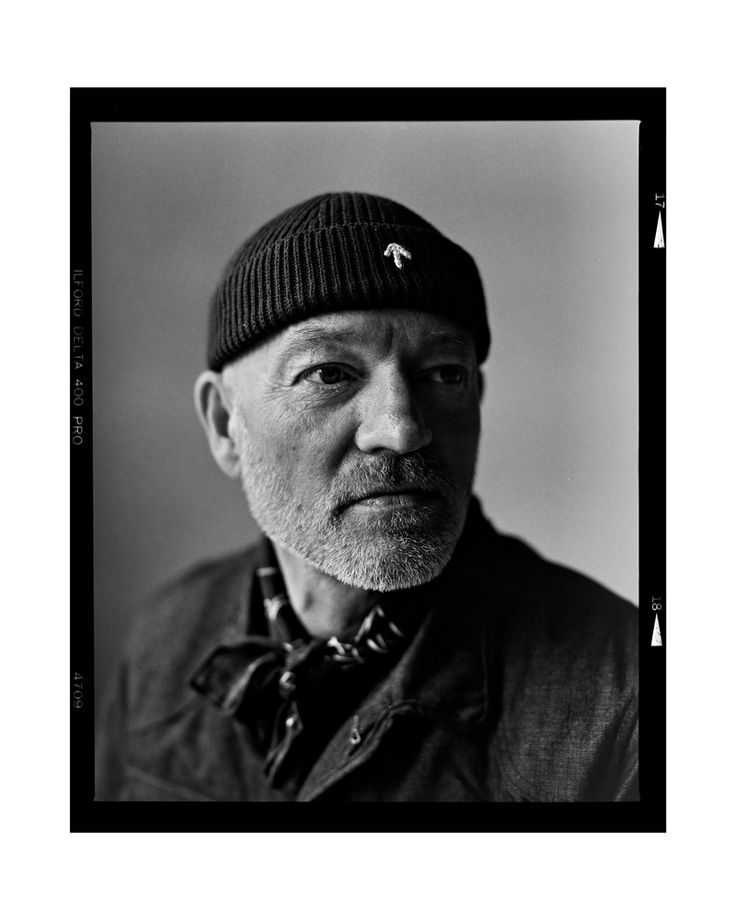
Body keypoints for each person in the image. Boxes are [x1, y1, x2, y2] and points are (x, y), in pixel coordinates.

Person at [95, 191, 638, 802]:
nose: (402, 428)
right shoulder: (161, 642)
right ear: (225, 425)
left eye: (443, 374)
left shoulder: (625, 702)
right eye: (329, 373)